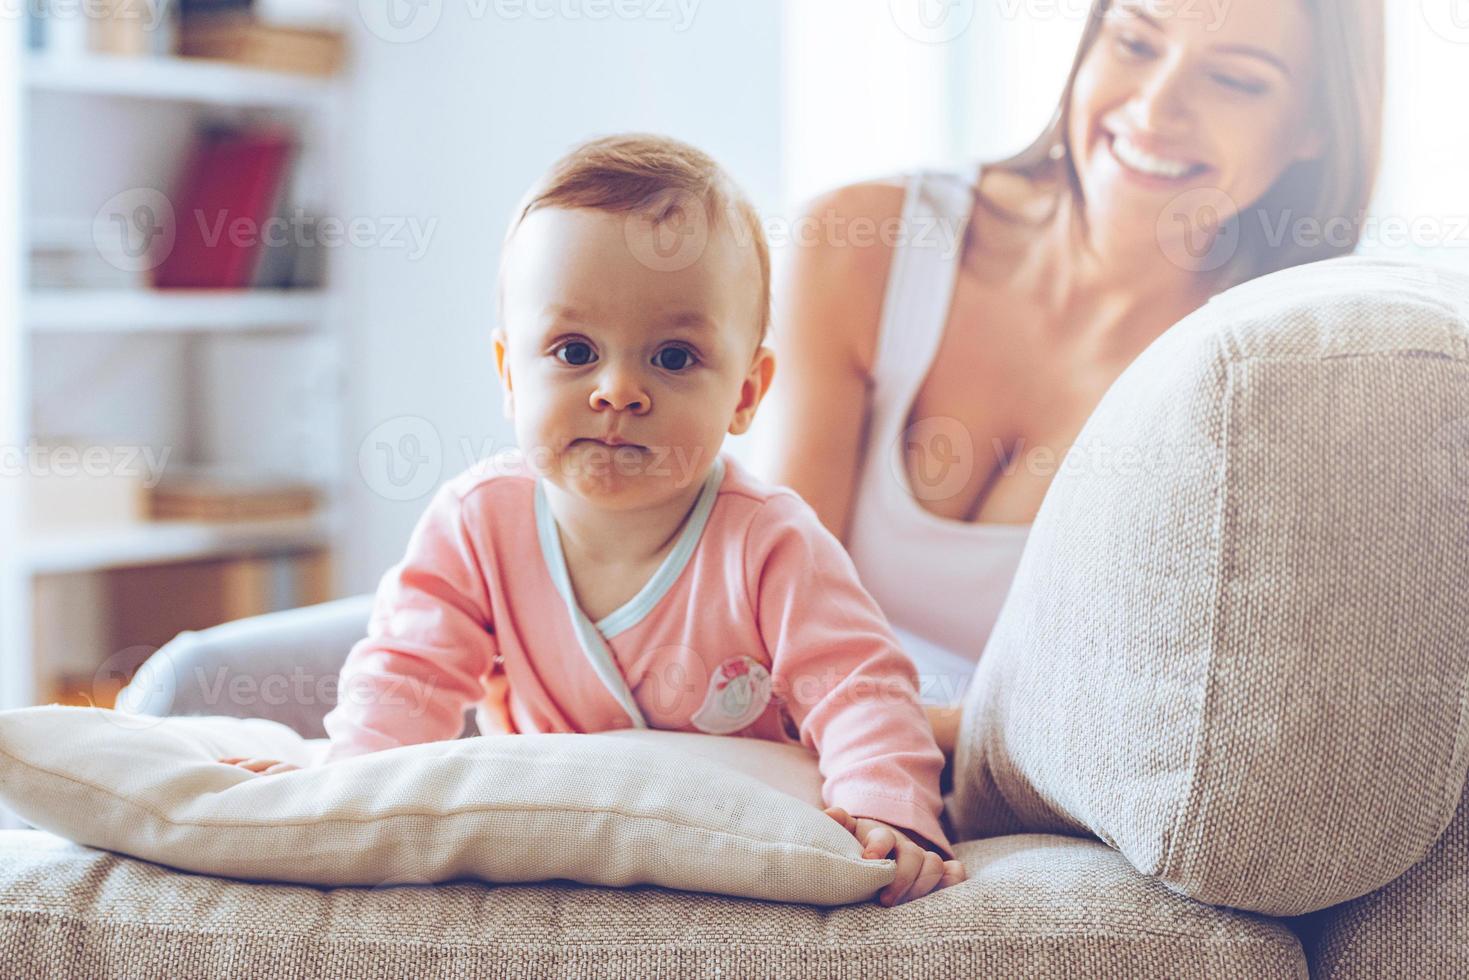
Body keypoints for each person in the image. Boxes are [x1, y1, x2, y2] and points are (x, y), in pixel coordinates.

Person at [218, 133, 967, 908]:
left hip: (729, 830)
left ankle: (955, 733)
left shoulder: (769, 541)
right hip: (564, 829)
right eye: (574, 351)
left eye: (673, 358)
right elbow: (407, 674)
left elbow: (856, 687)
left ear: (746, 392)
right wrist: (344, 786)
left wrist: (888, 813)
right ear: (511, 374)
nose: (617, 390)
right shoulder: (478, 524)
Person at [758, 0, 1385, 762]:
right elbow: (774, 612)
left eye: (1233, 80)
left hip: (1000, 792)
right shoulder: (862, 243)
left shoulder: (1271, 385)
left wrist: (887, 736)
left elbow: (1152, 715)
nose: (1154, 109)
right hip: (809, 752)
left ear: (1316, 126)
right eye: (1133, 42)